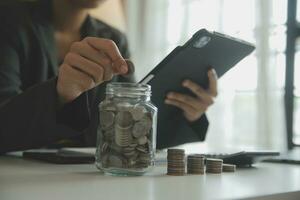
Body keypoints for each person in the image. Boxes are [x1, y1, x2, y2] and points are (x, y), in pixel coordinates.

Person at [0, 0, 217, 154]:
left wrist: (186, 115)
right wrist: (60, 93)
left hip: (93, 178)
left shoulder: (114, 39)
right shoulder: (8, 20)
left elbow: (133, 125)